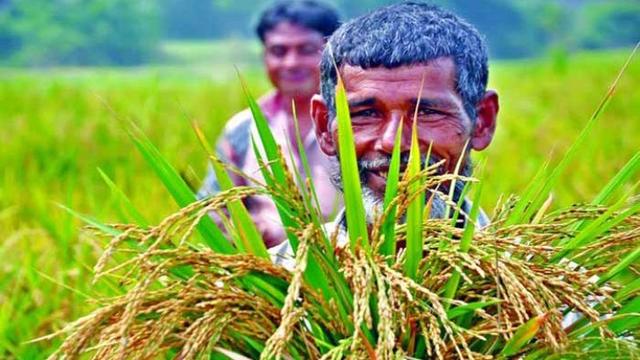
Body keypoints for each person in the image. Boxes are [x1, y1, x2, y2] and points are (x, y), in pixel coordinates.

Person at [270, 1, 499, 266]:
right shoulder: (275, 281)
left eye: (427, 112)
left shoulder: (546, 292)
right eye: (365, 114)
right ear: (324, 127)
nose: (392, 142)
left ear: (482, 121)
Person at [198, 0, 342, 248]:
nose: (291, 63)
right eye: (279, 51)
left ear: (332, 53)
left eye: (306, 50)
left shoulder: (360, 122)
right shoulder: (243, 129)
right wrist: (250, 232)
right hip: (269, 276)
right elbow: (211, 211)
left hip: (351, 273)